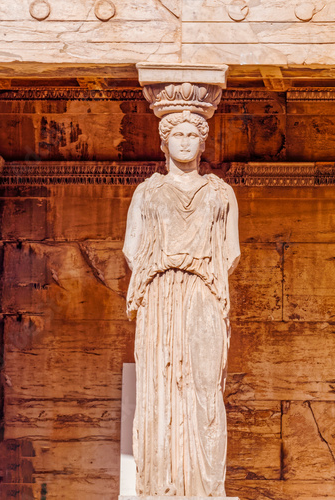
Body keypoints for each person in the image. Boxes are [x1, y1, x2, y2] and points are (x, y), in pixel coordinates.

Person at [123, 110, 240, 496]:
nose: (186, 141)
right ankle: (160, 485)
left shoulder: (221, 194)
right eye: (178, 134)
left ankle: (208, 488)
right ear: (165, 141)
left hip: (204, 294)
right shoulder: (148, 192)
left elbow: (231, 252)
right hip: (159, 297)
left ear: (203, 142)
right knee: (159, 388)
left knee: (206, 387)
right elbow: (132, 247)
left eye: (193, 134)